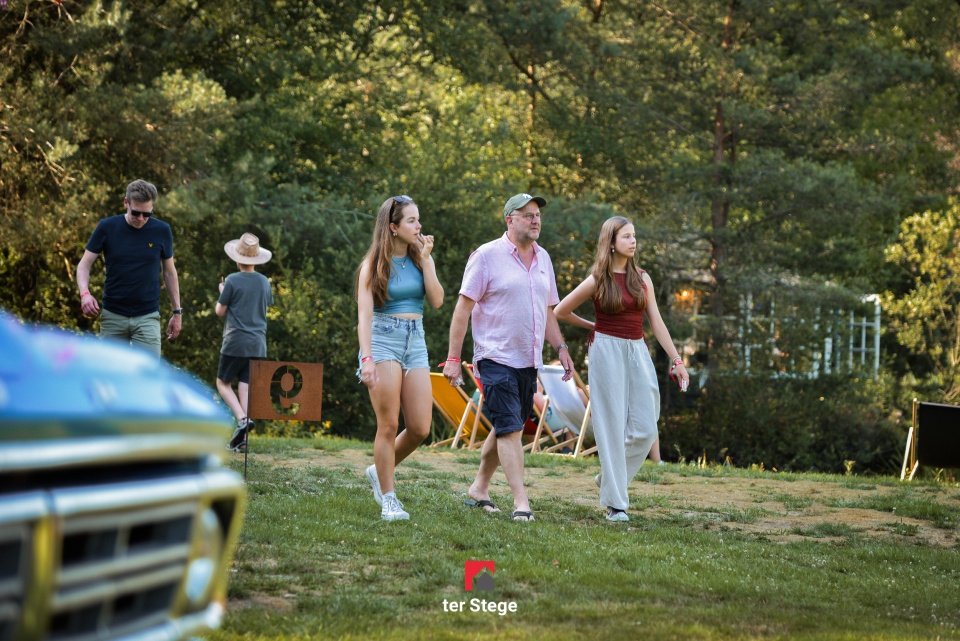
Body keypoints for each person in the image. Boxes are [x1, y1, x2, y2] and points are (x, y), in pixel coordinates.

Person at [443, 193, 575, 522]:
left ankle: (479, 488)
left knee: (507, 424)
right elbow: (462, 308)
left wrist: (561, 348)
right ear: (509, 220)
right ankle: (521, 502)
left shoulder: (544, 258)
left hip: (528, 360)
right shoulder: (486, 256)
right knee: (510, 430)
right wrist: (453, 358)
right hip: (494, 356)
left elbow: (547, 311)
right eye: (527, 214)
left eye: (537, 215)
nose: (535, 219)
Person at [554, 216, 688, 522]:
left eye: (634, 235)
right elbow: (561, 311)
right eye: (626, 236)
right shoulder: (598, 279)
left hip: (637, 350)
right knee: (611, 425)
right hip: (605, 351)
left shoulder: (642, 278)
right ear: (611, 242)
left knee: (646, 428)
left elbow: (656, 321)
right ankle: (616, 505)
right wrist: (593, 326)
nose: (633, 241)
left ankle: (608, 479)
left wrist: (677, 360)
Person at [357, 195, 443, 521]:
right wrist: (366, 359)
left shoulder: (420, 260)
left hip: (415, 340)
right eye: (411, 220)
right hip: (383, 341)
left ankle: (378, 470)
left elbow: (437, 300)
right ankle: (389, 499)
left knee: (420, 427)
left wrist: (428, 260)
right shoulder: (372, 266)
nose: (419, 226)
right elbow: (364, 317)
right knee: (389, 423)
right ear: (393, 227)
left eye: (418, 219)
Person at [77, 179, 182, 355]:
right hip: (113, 315)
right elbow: (83, 266)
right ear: (126, 203)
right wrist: (85, 294)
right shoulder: (107, 227)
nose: (141, 219)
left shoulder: (162, 230)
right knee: (111, 370)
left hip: (147, 316)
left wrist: (177, 312)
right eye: (136, 213)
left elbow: (170, 273)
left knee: (149, 371)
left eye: (146, 214)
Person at [216, 233, 274, 452]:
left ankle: (242, 419)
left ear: (236, 258)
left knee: (222, 383)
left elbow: (220, 311)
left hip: (235, 341)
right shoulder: (264, 281)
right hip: (257, 343)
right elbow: (264, 305)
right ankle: (243, 440)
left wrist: (223, 293)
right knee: (245, 386)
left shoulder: (231, 280)